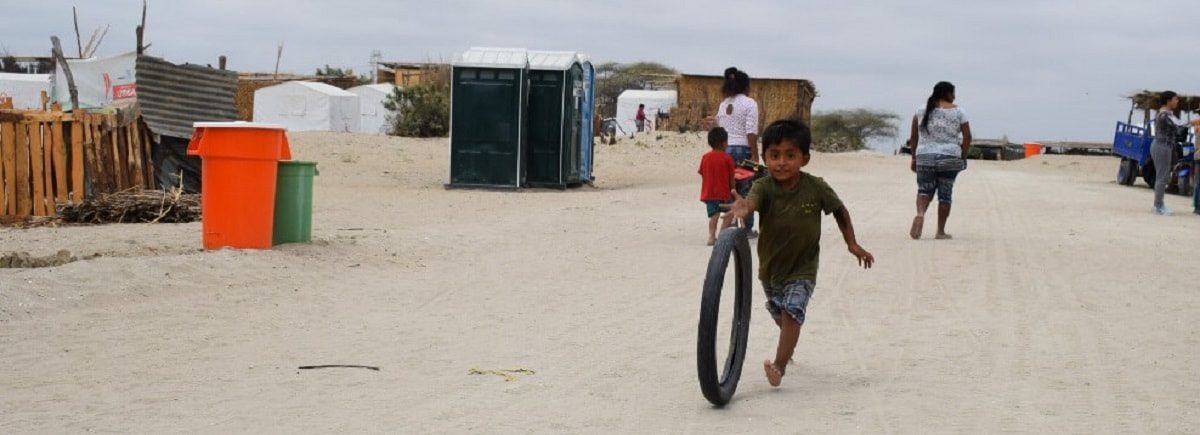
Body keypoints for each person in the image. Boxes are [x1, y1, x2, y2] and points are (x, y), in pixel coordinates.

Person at [728, 119, 874, 387]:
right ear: (765, 157)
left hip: (802, 269)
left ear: (804, 158)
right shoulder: (764, 185)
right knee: (780, 314)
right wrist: (745, 208)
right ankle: (788, 342)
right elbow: (752, 202)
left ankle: (779, 366)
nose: (781, 162)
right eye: (774, 156)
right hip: (770, 270)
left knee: (792, 312)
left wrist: (852, 244)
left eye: (790, 156)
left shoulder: (816, 186)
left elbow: (839, 210)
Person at [908, 81, 970, 239]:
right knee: (945, 194)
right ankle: (940, 231)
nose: (955, 96)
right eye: (953, 93)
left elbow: (914, 136)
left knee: (924, 190)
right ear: (948, 93)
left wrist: (914, 157)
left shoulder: (920, 110)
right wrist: (963, 155)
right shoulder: (959, 112)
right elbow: (967, 136)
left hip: (925, 156)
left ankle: (920, 214)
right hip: (950, 157)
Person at [715, 68, 761, 236]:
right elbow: (751, 131)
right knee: (747, 188)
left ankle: (729, 226)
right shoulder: (750, 103)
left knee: (730, 188)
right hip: (744, 150)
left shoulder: (723, 104)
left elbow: (719, 129)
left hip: (725, 150)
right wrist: (755, 155)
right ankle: (747, 228)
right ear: (745, 86)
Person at [1150, 91, 1200, 215]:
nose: (1177, 101)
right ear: (1168, 101)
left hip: (1162, 145)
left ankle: (1158, 204)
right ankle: (1158, 206)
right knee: (1162, 177)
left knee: (1163, 176)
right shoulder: (1165, 114)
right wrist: (1197, 121)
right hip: (1162, 146)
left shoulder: (1165, 113)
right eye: (1175, 99)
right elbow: (1181, 124)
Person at [698, 127, 737, 245]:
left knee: (714, 215)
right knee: (730, 213)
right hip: (724, 193)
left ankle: (711, 237)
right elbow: (731, 178)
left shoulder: (705, 157)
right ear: (724, 143)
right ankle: (721, 234)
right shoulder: (728, 158)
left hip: (709, 193)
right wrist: (734, 191)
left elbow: (702, 173)